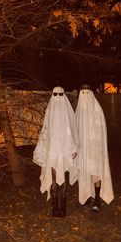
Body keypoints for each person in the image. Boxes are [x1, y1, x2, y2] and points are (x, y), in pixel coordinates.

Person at [33, 86, 78, 217]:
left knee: (62, 177)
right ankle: (54, 204)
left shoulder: (67, 112)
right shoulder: (50, 111)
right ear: (53, 95)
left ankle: (63, 204)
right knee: (52, 176)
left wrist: (73, 149)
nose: (57, 97)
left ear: (63, 95)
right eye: (55, 94)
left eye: (60, 94)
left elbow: (72, 131)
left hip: (64, 149)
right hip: (52, 150)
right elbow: (45, 130)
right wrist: (42, 149)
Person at [70, 84, 114, 212]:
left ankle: (97, 200)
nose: (85, 96)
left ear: (91, 94)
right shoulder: (78, 112)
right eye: (82, 93)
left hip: (95, 149)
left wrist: (96, 146)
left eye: (87, 93)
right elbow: (75, 131)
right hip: (82, 150)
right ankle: (85, 197)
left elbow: (101, 130)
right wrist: (75, 149)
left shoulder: (97, 110)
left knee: (95, 174)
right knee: (84, 174)